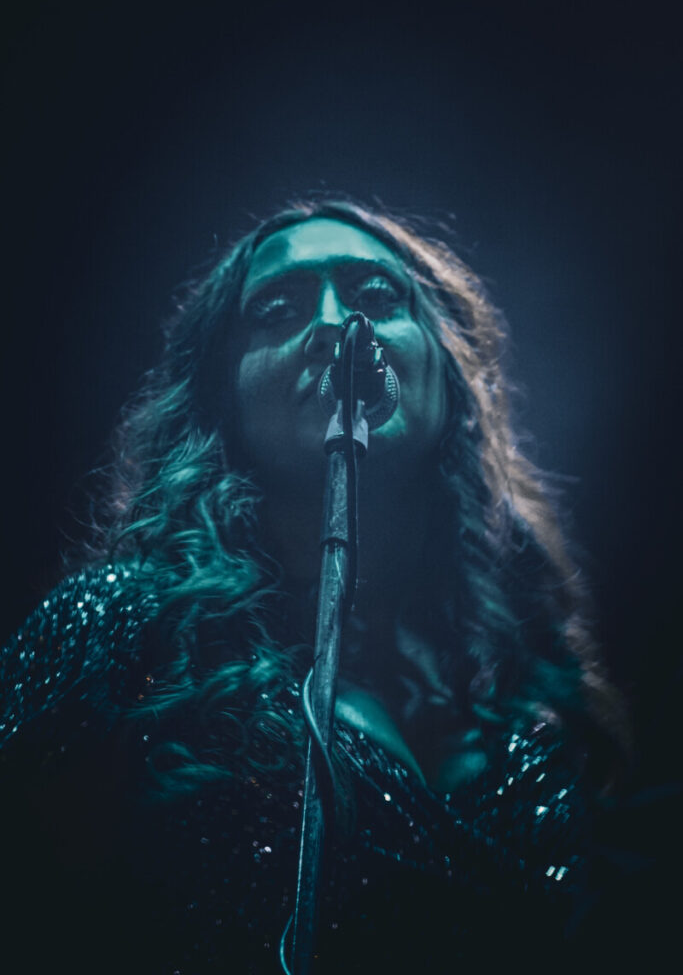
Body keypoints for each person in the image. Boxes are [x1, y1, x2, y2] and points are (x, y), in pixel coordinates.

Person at [2, 199, 629, 973]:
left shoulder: (533, 700)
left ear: (443, 368)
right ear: (222, 394)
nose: (336, 325)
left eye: (376, 297)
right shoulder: (125, 631)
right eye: (277, 310)